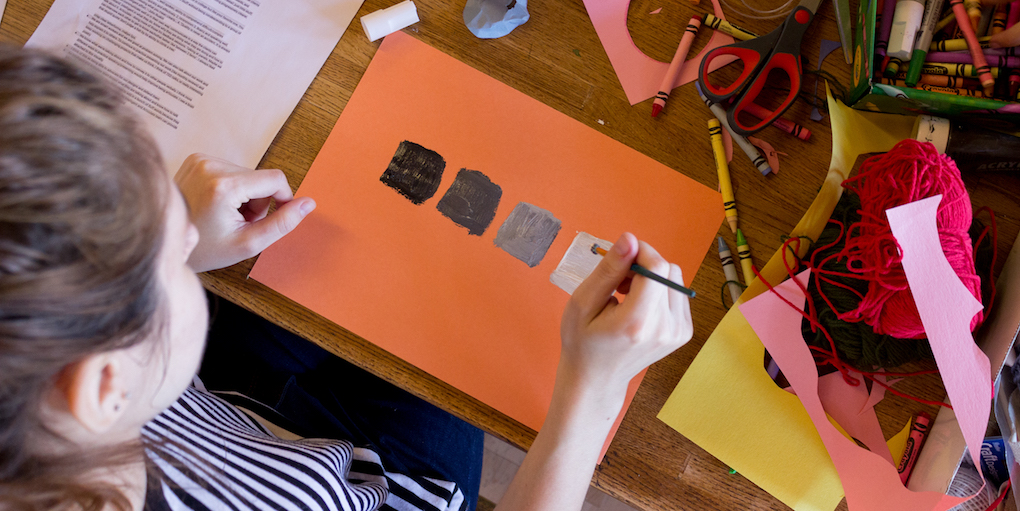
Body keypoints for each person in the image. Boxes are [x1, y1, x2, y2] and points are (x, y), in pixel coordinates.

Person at [0, 46, 693, 511]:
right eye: (163, 241)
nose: (184, 225)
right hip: (383, 479)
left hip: (227, 409)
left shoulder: (40, 409)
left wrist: (164, 262)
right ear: (100, 383)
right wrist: (594, 392)